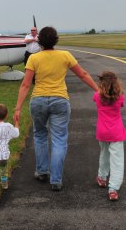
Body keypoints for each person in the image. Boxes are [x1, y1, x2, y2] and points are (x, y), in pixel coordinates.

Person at [13, 26, 98, 191]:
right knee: (59, 139)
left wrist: (17, 108)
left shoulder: (33, 58)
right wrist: (98, 90)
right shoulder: (65, 55)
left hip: (38, 100)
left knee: (40, 135)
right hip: (60, 100)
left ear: (40, 42)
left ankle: (42, 171)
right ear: (56, 40)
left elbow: (25, 84)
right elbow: (83, 74)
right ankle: (56, 180)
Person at [93, 71, 126, 201]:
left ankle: (102, 177)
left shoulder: (97, 96)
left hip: (102, 131)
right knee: (117, 160)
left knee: (104, 154)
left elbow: (97, 99)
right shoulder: (120, 97)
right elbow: (121, 105)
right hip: (116, 132)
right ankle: (113, 188)